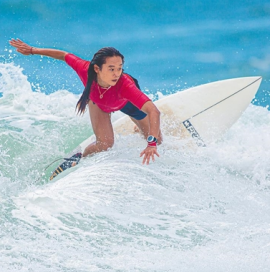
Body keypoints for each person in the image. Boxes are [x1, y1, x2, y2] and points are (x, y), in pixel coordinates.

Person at [9, 39, 163, 177]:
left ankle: (138, 128)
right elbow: (64, 55)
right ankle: (79, 158)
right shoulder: (84, 69)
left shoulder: (126, 86)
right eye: (111, 69)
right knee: (105, 145)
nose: (116, 74)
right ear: (97, 69)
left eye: (119, 68)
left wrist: (151, 142)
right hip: (98, 104)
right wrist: (32, 50)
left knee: (158, 140)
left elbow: (153, 111)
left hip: (127, 104)